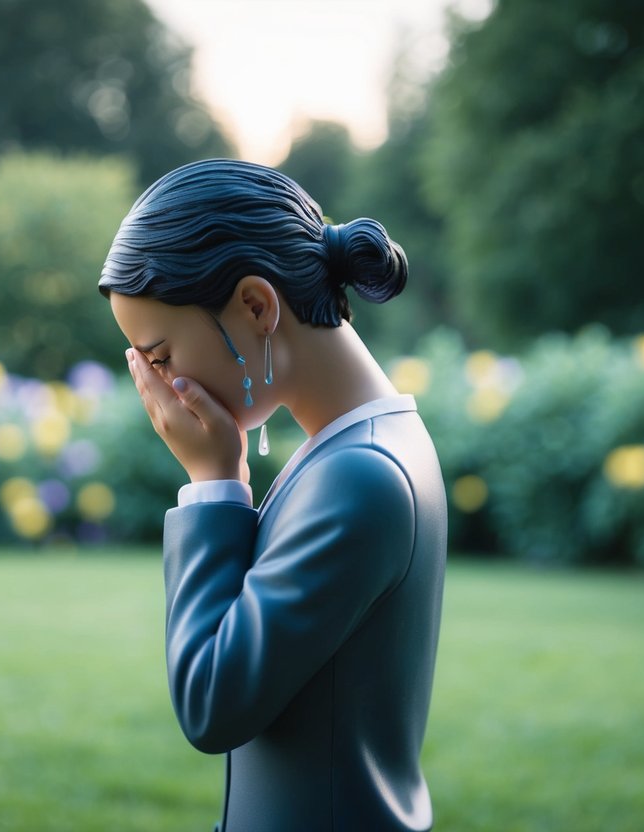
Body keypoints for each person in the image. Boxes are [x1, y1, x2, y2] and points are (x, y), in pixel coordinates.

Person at [99, 158, 447, 831]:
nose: (159, 386)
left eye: (161, 355)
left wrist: (213, 482)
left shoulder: (360, 476)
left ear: (256, 306)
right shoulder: (362, 448)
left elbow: (212, 704)